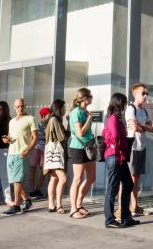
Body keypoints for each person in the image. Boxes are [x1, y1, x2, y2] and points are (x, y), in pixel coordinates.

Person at [103, 92, 140, 229]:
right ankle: (109, 220)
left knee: (128, 184)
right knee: (113, 188)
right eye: (124, 102)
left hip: (119, 157)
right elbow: (116, 136)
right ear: (119, 104)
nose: (125, 105)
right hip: (115, 156)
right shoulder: (112, 118)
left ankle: (126, 216)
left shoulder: (117, 119)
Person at [1, 98, 38, 216]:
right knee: (14, 181)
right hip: (11, 153)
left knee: (17, 180)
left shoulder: (30, 119)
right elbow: (9, 136)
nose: (20, 109)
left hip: (22, 153)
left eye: (22, 106)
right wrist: (5, 139)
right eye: (18, 107)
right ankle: (27, 200)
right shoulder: (11, 121)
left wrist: (28, 151)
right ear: (14, 107)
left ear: (25, 106)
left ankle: (16, 205)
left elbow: (35, 138)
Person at [125, 83, 153, 216]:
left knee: (137, 178)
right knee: (130, 178)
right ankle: (125, 206)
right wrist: (143, 127)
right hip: (132, 147)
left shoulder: (144, 111)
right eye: (143, 93)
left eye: (146, 93)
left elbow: (151, 128)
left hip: (142, 146)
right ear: (135, 94)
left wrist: (141, 126)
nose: (145, 96)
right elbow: (133, 127)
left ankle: (134, 205)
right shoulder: (131, 109)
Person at [69, 88, 96, 219]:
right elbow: (80, 132)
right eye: (90, 96)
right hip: (78, 148)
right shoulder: (76, 112)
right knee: (78, 178)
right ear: (85, 98)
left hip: (89, 147)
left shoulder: (85, 111)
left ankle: (79, 203)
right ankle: (73, 209)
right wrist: (89, 119)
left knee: (91, 177)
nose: (92, 98)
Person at [44, 99, 68, 214]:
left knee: (54, 178)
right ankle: (58, 204)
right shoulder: (54, 120)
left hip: (53, 155)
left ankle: (51, 204)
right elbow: (63, 137)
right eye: (63, 108)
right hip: (56, 155)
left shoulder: (55, 120)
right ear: (58, 109)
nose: (65, 110)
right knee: (62, 178)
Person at [28, 108, 50, 198]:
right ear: (44, 115)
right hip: (36, 148)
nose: (50, 116)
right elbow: (31, 136)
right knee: (32, 168)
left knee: (44, 170)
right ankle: (31, 190)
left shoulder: (50, 124)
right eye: (49, 114)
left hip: (45, 149)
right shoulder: (37, 124)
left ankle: (37, 189)